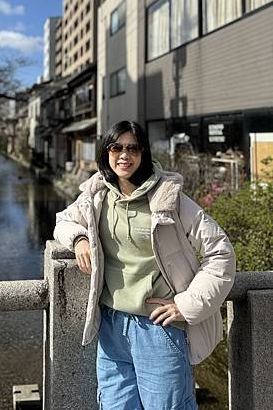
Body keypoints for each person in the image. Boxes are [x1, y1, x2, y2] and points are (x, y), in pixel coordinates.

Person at [54, 121, 236, 410]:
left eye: (132, 148)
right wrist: (79, 239)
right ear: (106, 152)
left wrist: (186, 305)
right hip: (111, 327)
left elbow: (221, 252)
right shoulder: (98, 195)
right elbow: (63, 220)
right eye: (116, 147)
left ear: (144, 153)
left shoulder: (169, 199)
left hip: (158, 329)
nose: (124, 155)